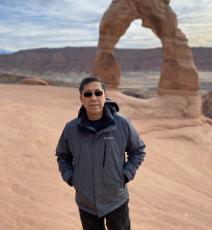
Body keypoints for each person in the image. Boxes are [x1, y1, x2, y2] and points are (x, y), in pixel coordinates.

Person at [56, 76, 146, 230]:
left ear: (105, 95)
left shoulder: (122, 124)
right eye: (88, 94)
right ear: (81, 98)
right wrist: (71, 177)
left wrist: (125, 174)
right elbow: (63, 155)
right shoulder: (71, 129)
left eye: (98, 93)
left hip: (116, 200)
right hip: (87, 203)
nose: (94, 98)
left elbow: (138, 150)